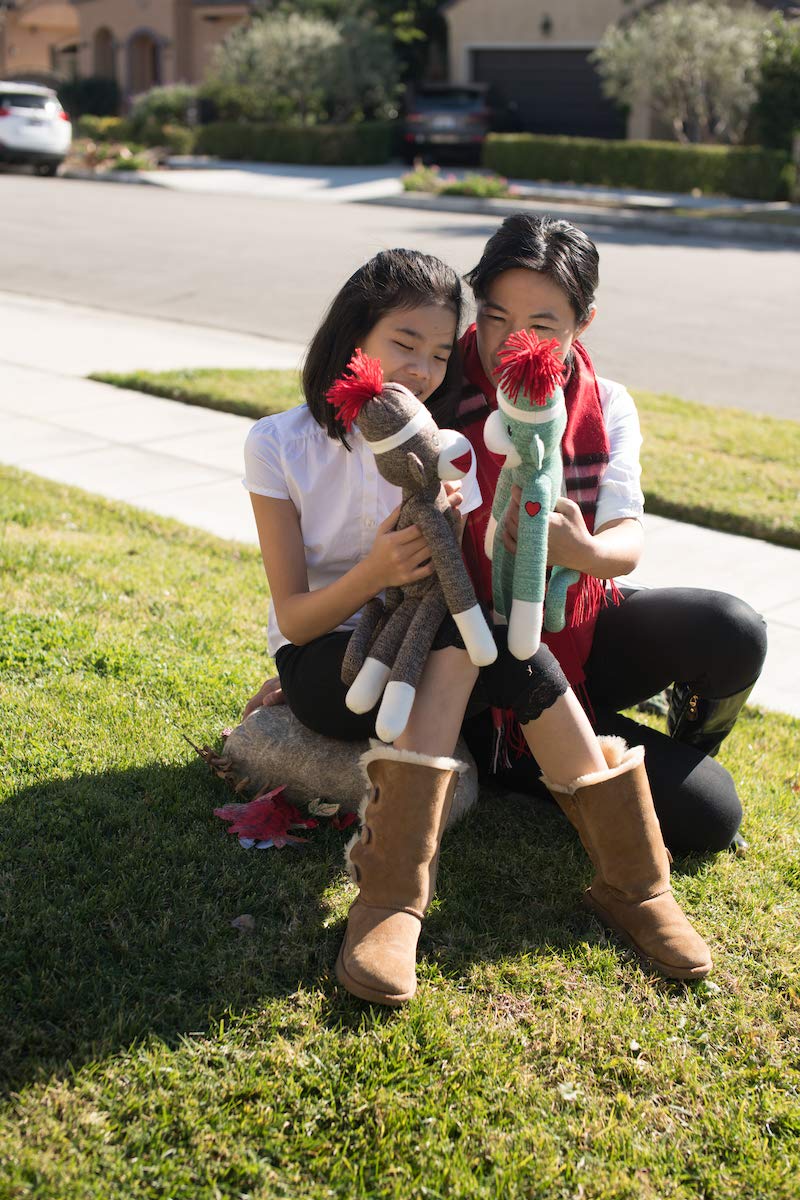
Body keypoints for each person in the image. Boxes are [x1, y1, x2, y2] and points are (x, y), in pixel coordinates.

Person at [242, 247, 712, 1007]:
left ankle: (630, 885)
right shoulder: (279, 444)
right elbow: (295, 618)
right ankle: (394, 900)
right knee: (467, 643)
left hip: (427, 647)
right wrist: (374, 575)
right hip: (331, 664)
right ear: (353, 336)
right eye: (403, 344)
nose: (422, 371)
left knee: (492, 646)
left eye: (436, 353)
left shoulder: (440, 444)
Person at [454, 213, 767, 856]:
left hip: (575, 619)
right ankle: (506, 751)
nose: (514, 344)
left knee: (731, 628)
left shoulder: (604, 401)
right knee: (711, 813)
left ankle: (672, 739)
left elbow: (625, 536)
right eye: (494, 317)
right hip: (473, 664)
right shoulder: (441, 386)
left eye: (542, 326)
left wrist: (583, 552)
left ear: (582, 323)